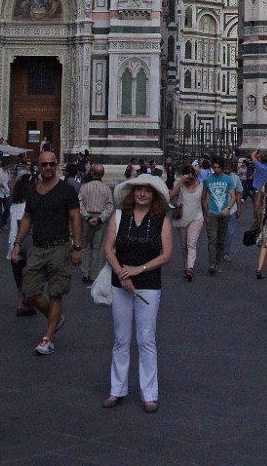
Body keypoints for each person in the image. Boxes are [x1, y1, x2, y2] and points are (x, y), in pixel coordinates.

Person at [102, 176, 172, 412]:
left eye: (147, 191)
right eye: (138, 190)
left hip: (149, 283)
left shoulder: (161, 220)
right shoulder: (120, 216)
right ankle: (116, 389)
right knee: (121, 338)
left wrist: (138, 270)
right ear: (132, 193)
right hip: (121, 283)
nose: (142, 194)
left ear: (154, 196)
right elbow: (108, 248)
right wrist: (123, 273)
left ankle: (149, 394)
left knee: (146, 338)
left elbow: (166, 255)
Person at [11, 150, 82, 355]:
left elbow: (75, 218)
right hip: (38, 247)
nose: (48, 167)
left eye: (52, 164)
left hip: (60, 247)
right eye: (44, 164)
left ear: (56, 165)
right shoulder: (33, 190)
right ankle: (55, 317)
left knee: (55, 292)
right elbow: (27, 218)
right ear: (38, 166)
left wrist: (77, 247)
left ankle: (48, 338)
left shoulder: (66, 190)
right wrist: (17, 243)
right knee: (29, 292)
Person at [78, 164, 114, 284]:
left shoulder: (84, 187)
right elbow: (109, 207)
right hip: (100, 219)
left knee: (86, 246)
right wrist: (100, 219)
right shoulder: (106, 189)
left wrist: (87, 217)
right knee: (98, 248)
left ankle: (85, 273)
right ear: (102, 175)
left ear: (91, 173)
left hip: (87, 218)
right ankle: (94, 274)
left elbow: (80, 204)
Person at [201, 158, 237, 275]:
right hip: (212, 213)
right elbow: (204, 197)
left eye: (218, 167)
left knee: (221, 240)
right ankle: (212, 263)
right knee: (212, 239)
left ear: (221, 167)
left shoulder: (228, 180)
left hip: (224, 213)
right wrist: (206, 212)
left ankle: (218, 262)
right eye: (214, 167)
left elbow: (233, 196)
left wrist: (228, 208)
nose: (216, 170)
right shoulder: (207, 180)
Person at [7, 175, 35, 316]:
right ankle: (28, 302)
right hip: (28, 245)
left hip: (14, 246)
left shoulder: (14, 207)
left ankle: (20, 303)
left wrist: (12, 248)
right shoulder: (29, 206)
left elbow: (13, 229)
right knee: (30, 276)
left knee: (19, 278)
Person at [169, 164, 204, 280]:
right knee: (184, 244)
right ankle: (187, 263)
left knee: (191, 243)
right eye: (187, 178)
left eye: (191, 178)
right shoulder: (181, 185)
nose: (189, 181)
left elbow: (204, 202)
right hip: (182, 218)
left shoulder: (202, 186)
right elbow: (170, 196)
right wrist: (180, 182)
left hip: (197, 217)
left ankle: (190, 268)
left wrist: (208, 216)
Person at [222, 159, 243, 261]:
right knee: (220, 231)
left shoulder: (236, 178)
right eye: (225, 168)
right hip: (219, 208)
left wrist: (239, 208)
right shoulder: (217, 177)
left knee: (229, 232)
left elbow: (238, 193)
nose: (227, 170)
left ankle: (226, 252)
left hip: (232, 209)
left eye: (228, 168)